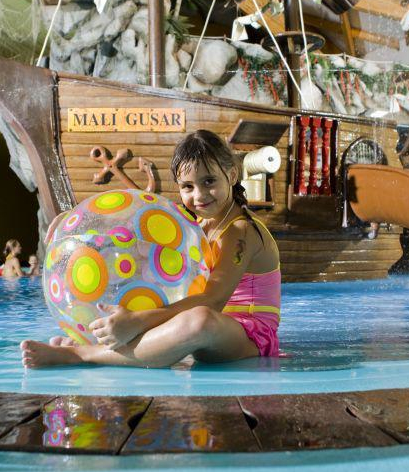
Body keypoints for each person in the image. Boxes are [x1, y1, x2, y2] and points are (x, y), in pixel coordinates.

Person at [21, 129, 281, 368]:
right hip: (208, 331)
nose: (199, 195)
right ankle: (100, 341)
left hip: (249, 335)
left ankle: (82, 354)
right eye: (188, 186)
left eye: (209, 181)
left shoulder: (240, 231)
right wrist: (71, 223)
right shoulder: (197, 224)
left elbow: (213, 301)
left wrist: (139, 319)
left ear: (232, 175)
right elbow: (129, 230)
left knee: (200, 320)